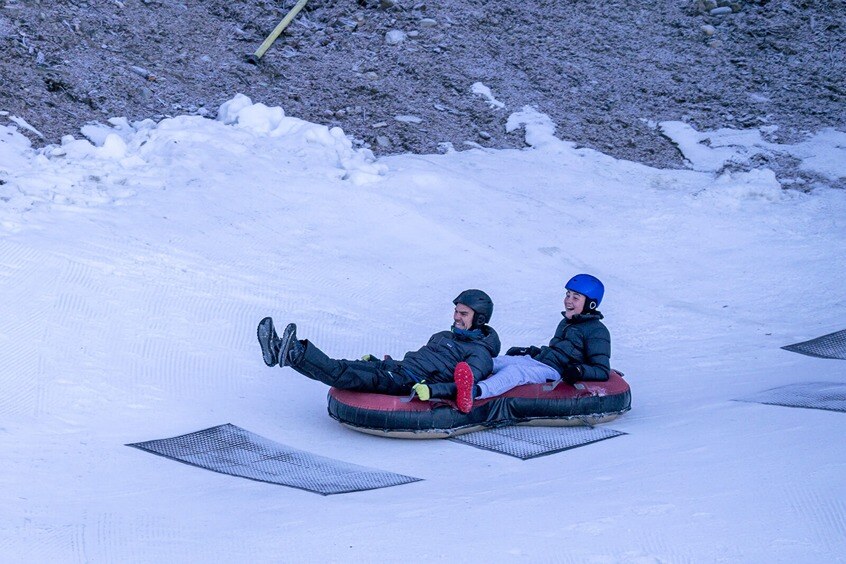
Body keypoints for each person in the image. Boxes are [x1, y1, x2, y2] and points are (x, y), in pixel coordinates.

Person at [256, 289, 501, 413]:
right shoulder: (443, 336)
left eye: (463, 314)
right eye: (456, 311)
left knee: (343, 374)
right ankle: (283, 352)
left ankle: (294, 352)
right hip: (396, 368)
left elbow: (466, 387)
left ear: (479, 319)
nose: (456, 317)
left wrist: (431, 390)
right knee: (342, 365)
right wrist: (382, 361)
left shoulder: (479, 354)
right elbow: (419, 360)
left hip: (408, 383)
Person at [417, 274, 610, 408]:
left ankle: (473, 393)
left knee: (514, 372)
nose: (568, 300)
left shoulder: (597, 332)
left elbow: (601, 369)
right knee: (494, 361)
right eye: (568, 295)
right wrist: (531, 351)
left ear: (590, 304)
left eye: (576, 297)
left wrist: (577, 371)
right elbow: (557, 350)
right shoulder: (566, 322)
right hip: (541, 361)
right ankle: (447, 380)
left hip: (555, 371)